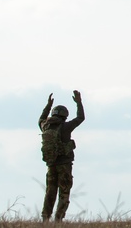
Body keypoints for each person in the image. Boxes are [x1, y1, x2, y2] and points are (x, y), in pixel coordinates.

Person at [38, 90, 85, 221]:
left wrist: (47, 106)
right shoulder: (66, 126)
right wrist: (79, 103)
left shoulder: (45, 126)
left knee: (50, 192)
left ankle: (45, 219)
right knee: (64, 192)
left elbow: (41, 119)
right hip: (64, 164)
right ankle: (58, 220)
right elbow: (80, 118)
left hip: (51, 164)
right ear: (65, 116)